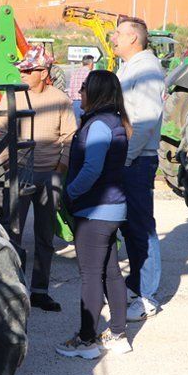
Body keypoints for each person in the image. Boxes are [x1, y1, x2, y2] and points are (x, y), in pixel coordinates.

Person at [56, 70, 133, 359]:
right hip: (112, 210)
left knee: (90, 276)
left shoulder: (99, 125)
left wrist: (70, 193)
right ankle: (117, 334)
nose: (80, 93)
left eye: (85, 88)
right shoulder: (114, 121)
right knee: (111, 273)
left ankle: (87, 340)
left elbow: (92, 169)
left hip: (95, 210)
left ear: (97, 92)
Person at [0, 45, 77, 312]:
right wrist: (9, 162)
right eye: (23, 70)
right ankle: (11, 291)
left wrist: (61, 164)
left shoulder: (60, 99)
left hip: (50, 175)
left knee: (44, 236)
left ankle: (39, 291)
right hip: (20, 173)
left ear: (44, 72)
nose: (23, 74)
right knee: (13, 233)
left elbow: (69, 136)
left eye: (29, 70)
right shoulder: (13, 98)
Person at [111, 17, 165, 322]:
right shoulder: (131, 67)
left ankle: (147, 296)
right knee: (131, 226)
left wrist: (126, 158)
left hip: (136, 160)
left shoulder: (145, 69)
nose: (114, 37)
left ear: (134, 39)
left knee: (142, 226)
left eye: (118, 34)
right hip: (131, 158)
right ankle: (137, 284)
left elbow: (144, 119)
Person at [67, 54, 95, 119]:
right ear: (91, 64)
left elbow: (70, 91)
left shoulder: (74, 73)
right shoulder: (90, 74)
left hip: (74, 104)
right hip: (86, 104)